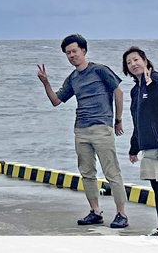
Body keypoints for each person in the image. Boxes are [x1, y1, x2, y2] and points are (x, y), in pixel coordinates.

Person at [37, 33, 129, 228]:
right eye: (68, 53)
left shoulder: (100, 70)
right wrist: (45, 82)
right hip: (81, 130)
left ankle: (121, 214)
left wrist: (118, 120)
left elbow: (118, 92)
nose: (72, 55)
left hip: (101, 127)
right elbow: (56, 101)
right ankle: (95, 211)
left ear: (83, 51)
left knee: (112, 172)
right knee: (86, 173)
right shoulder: (72, 78)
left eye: (74, 51)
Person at [122, 45, 158, 238]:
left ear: (145, 61)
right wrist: (134, 147)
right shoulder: (135, 90)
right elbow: (137, 120)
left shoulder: (157, 80)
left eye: (136, 60)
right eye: (129, 62)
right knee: (157, 189)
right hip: (148, 146)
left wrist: (151, 87)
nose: (133, 64)